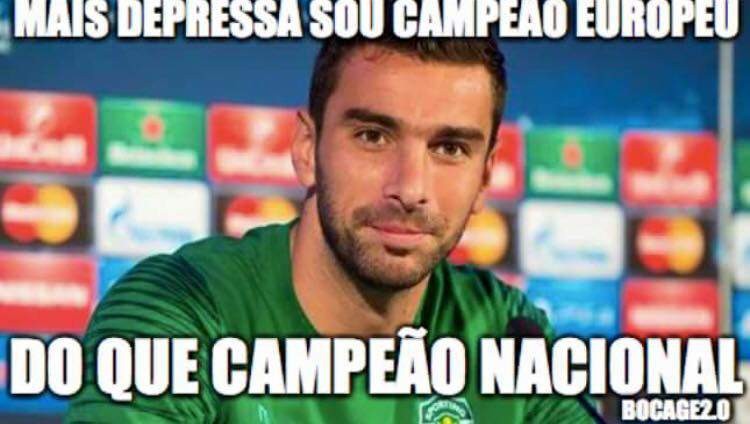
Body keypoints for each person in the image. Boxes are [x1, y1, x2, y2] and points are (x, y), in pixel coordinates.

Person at [65, 35, 593, 423]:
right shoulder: (177, 308)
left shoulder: (508, 333)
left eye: (449, 148)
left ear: (485, 178)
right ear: (306, 149)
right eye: (373, 136)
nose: (411, 188)